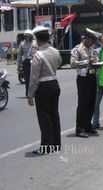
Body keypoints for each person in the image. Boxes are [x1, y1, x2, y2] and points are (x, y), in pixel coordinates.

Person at [27, 26, 62, 155]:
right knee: (54, 115)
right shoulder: (55, 51)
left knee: (44, 118)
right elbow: (59, 63)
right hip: (54, 84)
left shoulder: (38, 55)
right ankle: (56, 145)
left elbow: (33, 76)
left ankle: (47, 146)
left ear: (37, 40)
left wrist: (30, 95)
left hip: (43, 87)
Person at [70, 28, 102, 138]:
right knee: (83, 104)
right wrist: (87, 62)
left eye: (94, 41)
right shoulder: (77, 49)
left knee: (91, 103)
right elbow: (72, 64)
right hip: (83, 78)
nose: (93, 43)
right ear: (87, 38)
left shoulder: (93, 50)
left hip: (92, 76)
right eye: (92, 40)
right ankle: (80, 128)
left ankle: (88, 125)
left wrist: (97, 63)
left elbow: (96, 60)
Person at [17, 30, 35, 96]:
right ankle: (28, 93)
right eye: (26, 36)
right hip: (26, 62)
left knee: (34, 78)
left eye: (28, 36)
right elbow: (19, 56)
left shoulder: (34, 43)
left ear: (31, 36)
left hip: (34, 62)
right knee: (27, 79)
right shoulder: (22, 44)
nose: (27, 37)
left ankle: (34, 92)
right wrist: (18, 67)